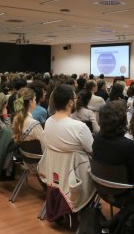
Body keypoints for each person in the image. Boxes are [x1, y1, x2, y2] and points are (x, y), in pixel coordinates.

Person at [38, 84, 95, 218]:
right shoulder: (79, 127)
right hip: (77, 181)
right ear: (70, 102)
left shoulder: (48, 122)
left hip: (55, 179)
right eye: (75, 98)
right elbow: (93, 150)